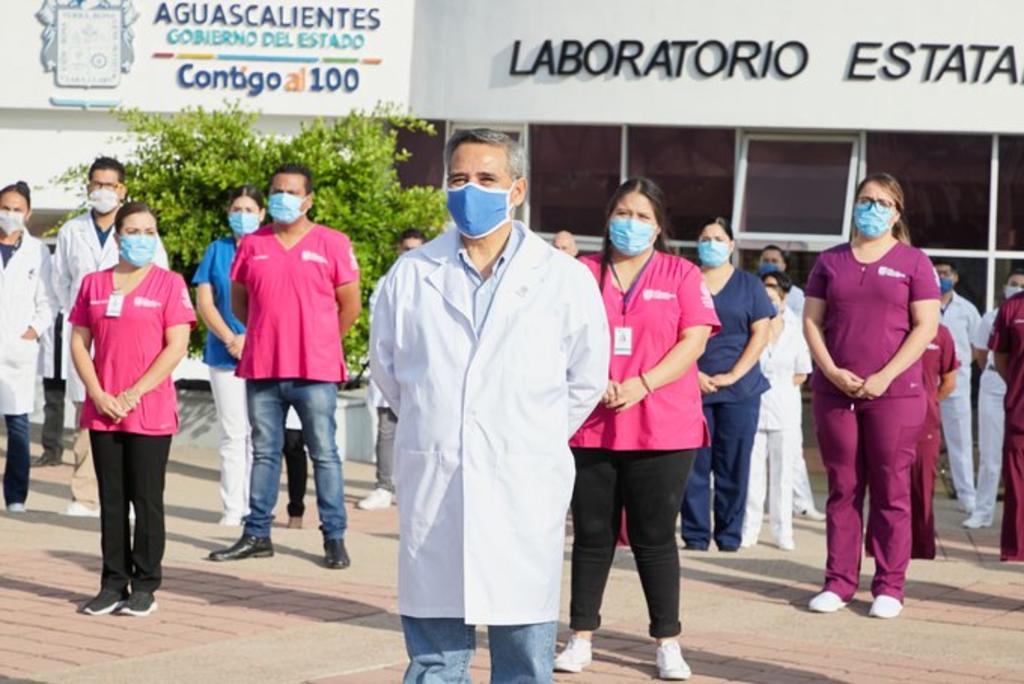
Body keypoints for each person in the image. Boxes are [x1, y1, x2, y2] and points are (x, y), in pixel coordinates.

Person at [370, 128, 609, 682]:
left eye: (486, 178)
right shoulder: (411, 275)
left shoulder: (563, 279)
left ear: (517, 189)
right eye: (458, 179)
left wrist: (525, 433)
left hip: (521, 481)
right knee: (435, 659)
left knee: (524, 657)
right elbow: (390, 372)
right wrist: (445, 422)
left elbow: (586, 379)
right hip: (437, 479)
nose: (469, 190)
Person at [553, 178, 718, 680]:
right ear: (608, 219)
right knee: (592, 535)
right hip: (592, 425)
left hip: (662, 428)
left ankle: (667, 641)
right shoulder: (581, 273)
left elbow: (694, 342)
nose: (631, 224)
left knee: (654, 538)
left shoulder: (683, 273)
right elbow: (558, 336)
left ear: (660, 225)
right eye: (623, 213)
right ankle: (580, 636)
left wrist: (643, 384)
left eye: (643, 216)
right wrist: (591, 381)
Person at [208, 163, 360, 570]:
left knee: (324, 453)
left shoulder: (332, 242)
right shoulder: (253, 244)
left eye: (291, 192)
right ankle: (257, 532)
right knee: (264, 452)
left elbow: (351, 305)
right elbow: (241, 302)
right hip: (263, 367)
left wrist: (322, 340)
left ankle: (334, 536)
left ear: (308, 200)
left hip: (316, 370)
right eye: (276, 191)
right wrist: (266, 334)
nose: (282, 198)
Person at [804, 172, 940, 619]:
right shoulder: (829, 261)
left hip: (896, 394)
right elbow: (811, 322)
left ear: (897, 213)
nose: (873, 208)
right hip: (835, 391)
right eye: (866, 200)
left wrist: (885, 375)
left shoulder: (914, 262)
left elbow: (926, 327)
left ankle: (889, 585)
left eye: (883, 202)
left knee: (890, 488)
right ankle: (839, 582)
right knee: (842, 487)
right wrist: (831, 370)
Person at [69, 201, 195, 616]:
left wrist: (133, 393)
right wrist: (99, 393)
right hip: (103, 410)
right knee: (111, 499)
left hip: (149, 410)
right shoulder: (94, 284)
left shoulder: (169, 284)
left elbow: (176, 346)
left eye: (149, 232)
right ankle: (111, 582)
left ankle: (145, 585)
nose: (142, 239)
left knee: (146, 498)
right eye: (134, 232)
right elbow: (78, 343)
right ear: (118, 236)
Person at [53, 157, 168, 517]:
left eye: (110, 185)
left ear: (122, 189)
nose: (102, 191)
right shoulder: (72, 230)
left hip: (136, 341)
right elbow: (60, 282)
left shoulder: (144, 232)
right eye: (96, 184)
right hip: (89, 332)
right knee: (89, 417)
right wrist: (82, 313)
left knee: (132, 419)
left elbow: (158, 277)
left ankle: (129, 498)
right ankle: (84, 495)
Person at [681, 218, 773, 552]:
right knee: (693, 467)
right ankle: (694, 535)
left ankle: (729, 536)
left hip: (740, 391)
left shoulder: (749, 285)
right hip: (691, 387)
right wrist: (692, 373)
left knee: (734, 465)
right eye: (705, 238)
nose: (711, 244)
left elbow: (761, 333)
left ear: (732, 245)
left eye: (718, 238)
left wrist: (735, 375)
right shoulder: (686, 281)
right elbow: (669, 332)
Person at [193, 186, 265, 526]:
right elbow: (205, 301)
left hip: (263, 352)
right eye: (237, 209)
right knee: (234, 432)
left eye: (250, 209)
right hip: (224, 354)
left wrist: (250, 338)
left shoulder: (270, 248)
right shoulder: (216, 250)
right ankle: (233, 508)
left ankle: (258, 507)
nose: (242, 215)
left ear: (262, 214)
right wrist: (230, 337)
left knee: (261, 432)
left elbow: (277, 302)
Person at [866, 323, 957, 560]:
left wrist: (927, 403)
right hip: (888, 418)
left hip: (926, 423)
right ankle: (880, 546)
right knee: (885, 485)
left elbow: (949, 380)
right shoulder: (890, 328)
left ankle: (920, 548)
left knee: (922, 486)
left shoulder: (941, 333)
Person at [740, 271, 811, 551]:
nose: (768, 303)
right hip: (755, 408)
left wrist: (778, 387)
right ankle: (750, 529)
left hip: (785, 410)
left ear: (783, 300)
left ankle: (783, 531)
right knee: (753, 474)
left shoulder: (795, 332)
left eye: (773, 298)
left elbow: (802, 372)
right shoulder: (753, 330)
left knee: (782, 475)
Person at [360, 228, 426, 511]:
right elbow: (381, 331)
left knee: (424, 432)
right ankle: (384, 486)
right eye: (405, 249)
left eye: (416, 249)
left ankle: (417, 488)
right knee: (387, 430)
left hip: (425, 373)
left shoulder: (436, 282)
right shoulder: (387, 283)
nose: (410, 254)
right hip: (393, 367)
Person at [0, 182, 56, 513]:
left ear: (28, 213)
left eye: (17, 209)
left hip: (18, 349)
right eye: (5, 208)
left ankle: (16, 497)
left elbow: (47, 301)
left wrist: (32, 332)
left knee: (18, 426)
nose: (10, 215)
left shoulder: (38, 252)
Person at [761, 270, 826, 522]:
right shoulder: (754, 321)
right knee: (756, 466)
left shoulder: (796, 325)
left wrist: (780, 387)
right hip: (758, 403)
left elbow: (802, 372)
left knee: (790, 461)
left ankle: (801, 505)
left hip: (784, 404)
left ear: (784, 295)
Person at [968, 270, 1024, 529]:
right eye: (1013, 284)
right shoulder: (992, 315)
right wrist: (1004, 377)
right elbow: (982, 353)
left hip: (1018, 386)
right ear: (1004, 286)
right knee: (990, 451)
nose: (1016, 288)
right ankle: (983, 511)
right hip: (994, 383)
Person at [933, 259, 982, 514]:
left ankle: (967, 496)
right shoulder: (922, 305)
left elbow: (977, 347)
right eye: (937, 272)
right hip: (926, 386)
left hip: (958, 386)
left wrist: (956, 367)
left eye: (946, 273)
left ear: (955, 277)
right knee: (920, 442)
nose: (942, 276)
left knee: (960, 442)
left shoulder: (967, 309)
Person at [989, 286, 1024, 562]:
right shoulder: (1013, 307)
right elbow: (1000, 357)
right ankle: (1018, 554)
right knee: (1018, 491)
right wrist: (1017, 388)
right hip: (1019, 415)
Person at [33, 310, 66, 468]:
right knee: (53, 400)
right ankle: (51, 451)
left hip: (77, 339)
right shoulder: (45, 284)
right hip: (53, 339)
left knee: (83, 405)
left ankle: (87, 459)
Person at [758, 245, 805, 316]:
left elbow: (799, 323)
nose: (769, 264)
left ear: (784, 266)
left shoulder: (796, 294)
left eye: (774, 261)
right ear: (759, 264)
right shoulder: (750, 290)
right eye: (766, 261)